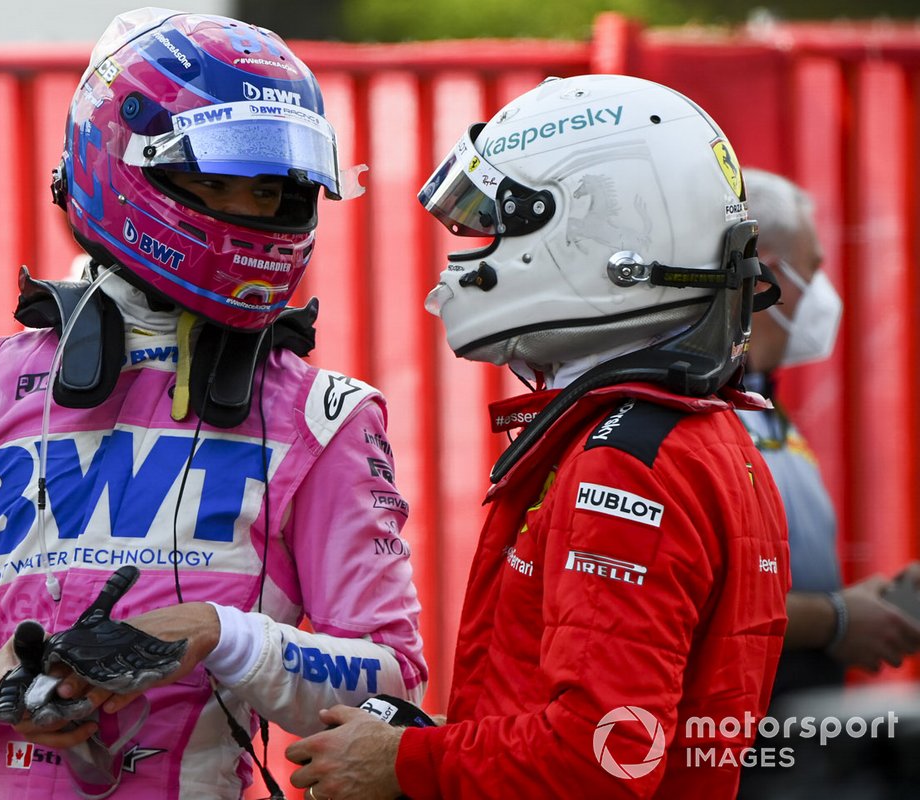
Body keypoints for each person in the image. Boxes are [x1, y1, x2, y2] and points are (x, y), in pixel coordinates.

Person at [0, 9, 426, 799]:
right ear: (120, 166)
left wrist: (219, 637)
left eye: (271, 192)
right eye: (215, 181)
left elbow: (393, 689)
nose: (251, 216)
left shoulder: (328, 414)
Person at [285, 73, 790, 799]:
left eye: (496, 223)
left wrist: (404, 763)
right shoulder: (706, 437)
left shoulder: (628, 463)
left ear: (596, 239)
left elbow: (601, 759)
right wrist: (430, 742)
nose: (470, 254)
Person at [734, 168, 920, 797]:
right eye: (811, 270)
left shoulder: (769, 413)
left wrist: (869, 607)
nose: (822, 293)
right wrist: (835, 621)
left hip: (802, 747)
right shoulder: (697, 419)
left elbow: (774, 585)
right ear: (764, 271)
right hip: (729, 753)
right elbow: (689, 610)